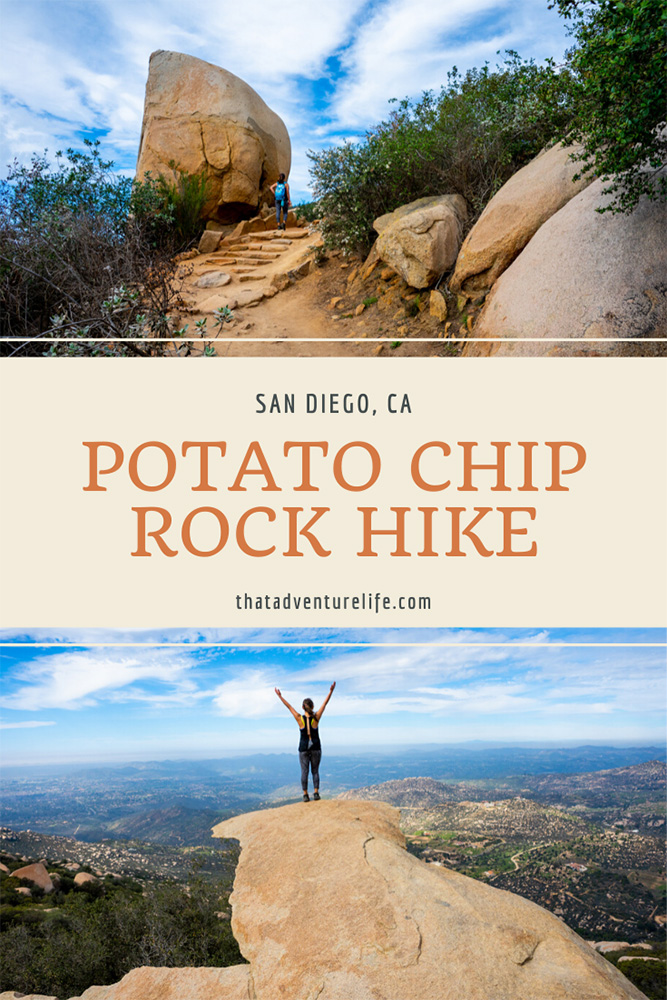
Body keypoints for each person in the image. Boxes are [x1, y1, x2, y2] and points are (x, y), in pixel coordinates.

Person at [274, 682, 336, 801]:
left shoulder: (299, 718)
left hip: (303, 748)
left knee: (304, 771)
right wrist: (331, 691)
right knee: (315, 771)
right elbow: (325, 703)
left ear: (303, 707)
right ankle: (316, 793)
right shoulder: (316, 717)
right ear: (312, 707)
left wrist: (280, 696)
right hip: (316, 747)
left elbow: (289, 707)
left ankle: (305, 795)